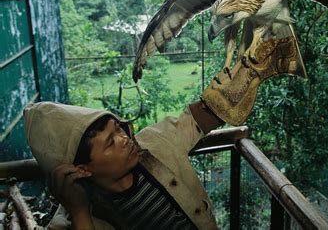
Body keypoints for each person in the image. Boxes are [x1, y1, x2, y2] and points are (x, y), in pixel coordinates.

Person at [23, 35, 302, 229]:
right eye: (110, 143)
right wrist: (80, 212)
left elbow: (198, 117)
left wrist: (251, 71)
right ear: (81, 170)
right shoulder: (77, 217)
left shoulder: (153, 144)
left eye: (119, 128)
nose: (125, 138)